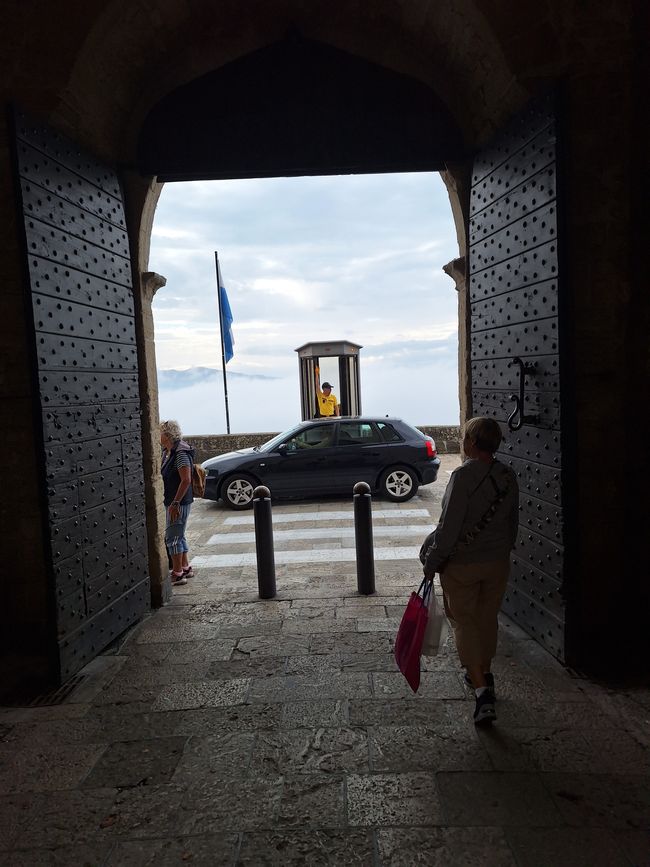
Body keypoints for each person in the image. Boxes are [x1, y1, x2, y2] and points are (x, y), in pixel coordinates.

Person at [422, 417, 519, 726]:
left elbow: (449, 528)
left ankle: (481, 693)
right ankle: (484, 674)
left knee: (463, 622)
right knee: (487, 618)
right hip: (496, 562)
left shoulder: (463, 476)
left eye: (465, 437)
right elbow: (512, 523)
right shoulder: (508, 475)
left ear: (472, 443)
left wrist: (432, 562)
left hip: (462, 565)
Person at [160, 419, 195, 586]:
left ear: (167, 435)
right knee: (179, 535)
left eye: (159, 432)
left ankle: (178, 573)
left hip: (178, 502)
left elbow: (186, 480)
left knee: (172, 538)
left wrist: (175, 503)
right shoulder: (168, 451)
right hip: (174, 500)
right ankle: (185, 567)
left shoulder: (180, 453)